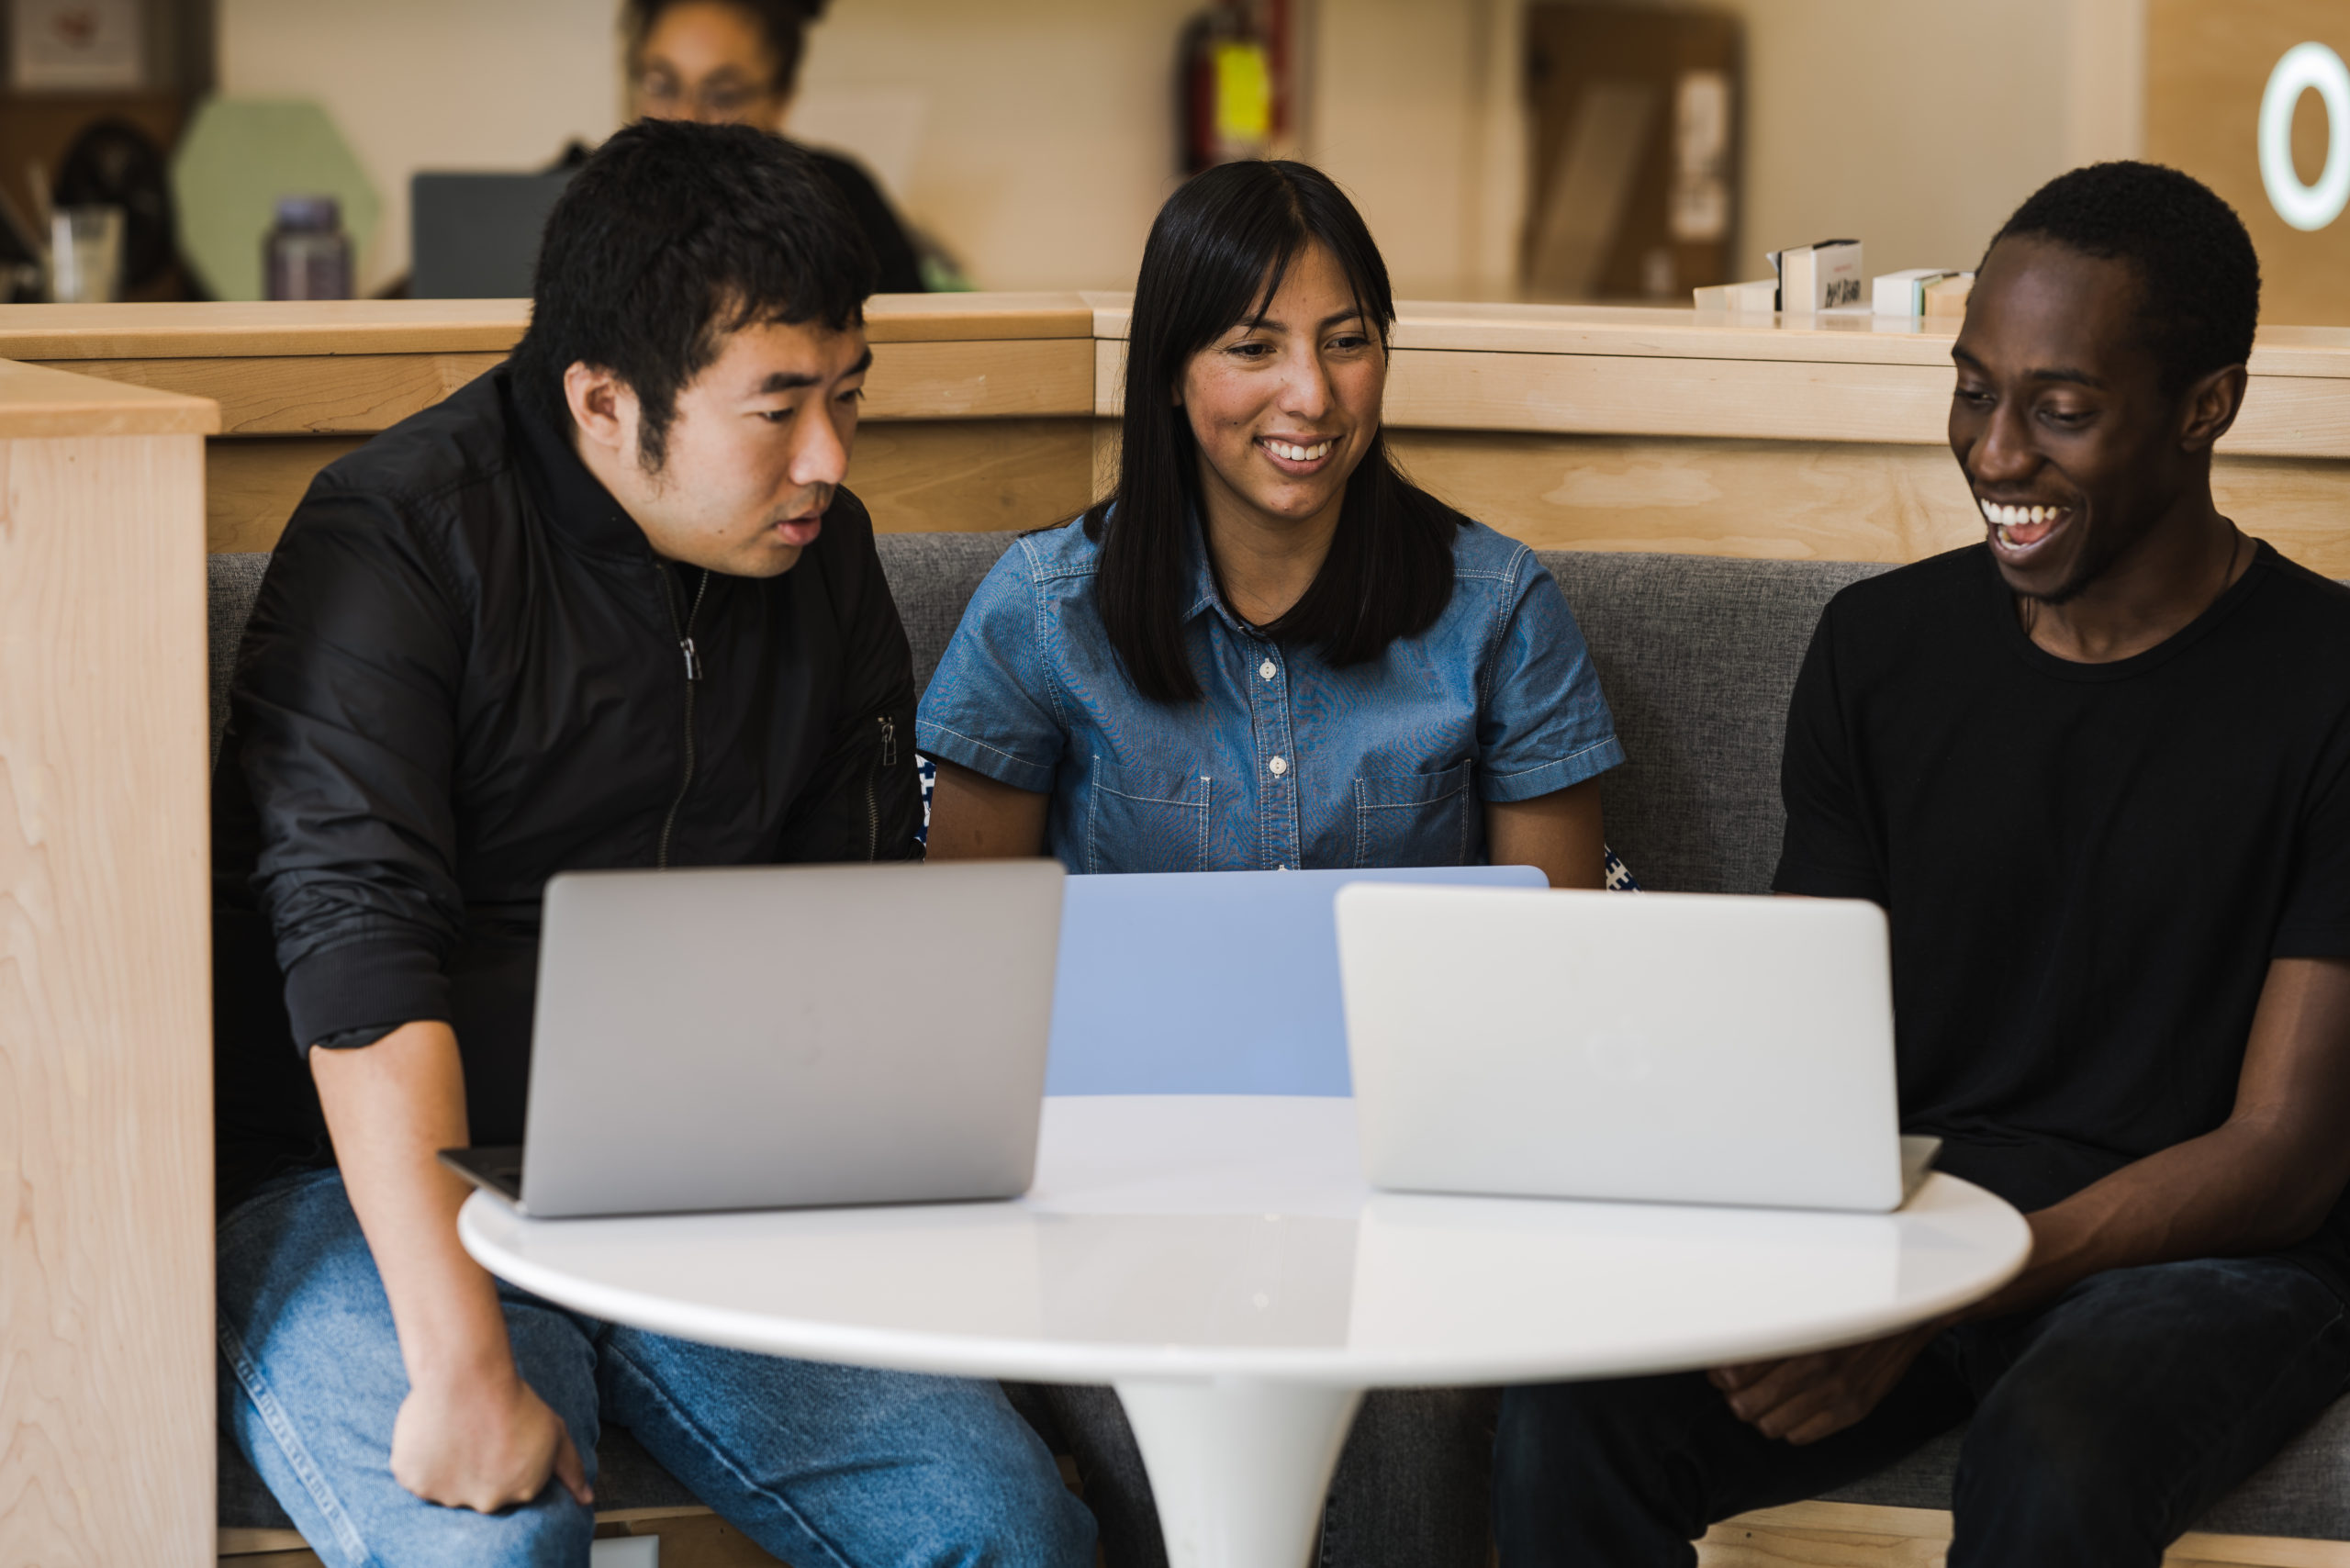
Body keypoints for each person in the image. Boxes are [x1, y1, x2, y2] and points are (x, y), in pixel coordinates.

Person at [209, 119, 1095, 1568]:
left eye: (851, 396)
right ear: (607, 403)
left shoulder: (822, 564)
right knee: (487, 1547)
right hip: (352, 1189)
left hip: (695, 1184)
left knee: (999, 1529)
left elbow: (853, 940)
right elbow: (358, 957)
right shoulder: (395, 543)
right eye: (780, 407)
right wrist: (463, 1365)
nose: (829, 458)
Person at [1494, 161, 2350, 1567]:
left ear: (2208, 408)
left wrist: (1945, 1297)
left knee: (2055, 1450)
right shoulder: (1878, 654)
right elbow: (1802, 1042)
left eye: (2060, 410)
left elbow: (2285, 1159)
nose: (1999, 454)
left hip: (2215, 1259)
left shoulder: (2329, 683)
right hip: (1924, 1212)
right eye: (1973, 390)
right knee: (1578, 1395)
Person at [920, 159, 1624, 1566]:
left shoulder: (1497, 611)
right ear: (1173, 376)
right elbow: (962, 996)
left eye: (1347, 340)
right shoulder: (1045, 617)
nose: (1311, 394)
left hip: (1412, 1193)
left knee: (1414, 1430)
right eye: (1253, 345)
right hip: (1110, 1198)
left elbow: (1555, 991)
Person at [623, 0, 930, 293]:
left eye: (723, 95)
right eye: (661, 85)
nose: (685, 117)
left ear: (781, 98)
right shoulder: (595, 202)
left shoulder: (837, 199)